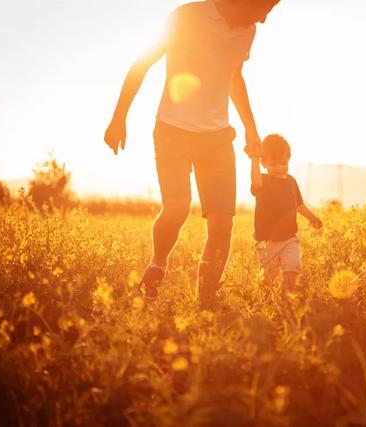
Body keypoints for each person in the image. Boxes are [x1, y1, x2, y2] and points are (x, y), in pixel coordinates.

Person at [103, 0, 280, 309]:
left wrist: (251, 129)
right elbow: (142, 62)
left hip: (218, 138)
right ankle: (158, 264)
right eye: (263, 8)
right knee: (176, 209)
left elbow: (234, 76)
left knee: (223, 226)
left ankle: (207, 303)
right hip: (173, 131)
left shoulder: (247, 31)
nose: (264, 20)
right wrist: (119, 117)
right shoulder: (187, 17)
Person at [250, 134, 323, 291]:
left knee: (292, 268)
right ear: (264, 163)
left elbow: (299, 205)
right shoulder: (263, 181)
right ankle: (267, 302)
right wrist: (254, 159)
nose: (279, 167)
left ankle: (288, 296)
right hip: (266, 241)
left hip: (289, 238)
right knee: (268, 279)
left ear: (288, 159)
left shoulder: (291, 181)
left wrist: (312, 217)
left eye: (283, 163)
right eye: (273, 164)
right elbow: (255, 182)